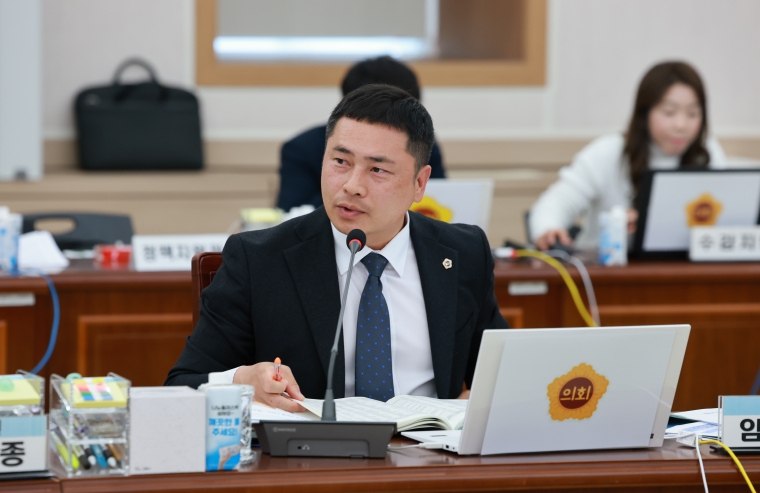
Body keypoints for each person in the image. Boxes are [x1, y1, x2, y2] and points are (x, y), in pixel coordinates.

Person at [166, 85, 508, 411]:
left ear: (419, 183)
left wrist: (481, 399)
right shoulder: (259, 260)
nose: (352, 186)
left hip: (431, 449)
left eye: (377, 169)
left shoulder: (463, 253)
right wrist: (242, 380)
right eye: (340, 162)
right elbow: (183, 385)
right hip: (311, 450)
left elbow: (502, 375)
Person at [529, 61, 727, 251]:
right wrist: (548, 229)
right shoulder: (609, 152)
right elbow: (557, 201)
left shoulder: (707, 152)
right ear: (644, 113)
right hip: (603, 268)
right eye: (669, 112)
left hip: (684, 269)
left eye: (692, 114)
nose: (681, 125)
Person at [276, 56, 446, 212]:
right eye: (341, 161)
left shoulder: (419, 145)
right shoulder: (302, 148)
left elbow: (442, 201)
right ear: (342, 106)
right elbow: (292, 214)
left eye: (378, 169)